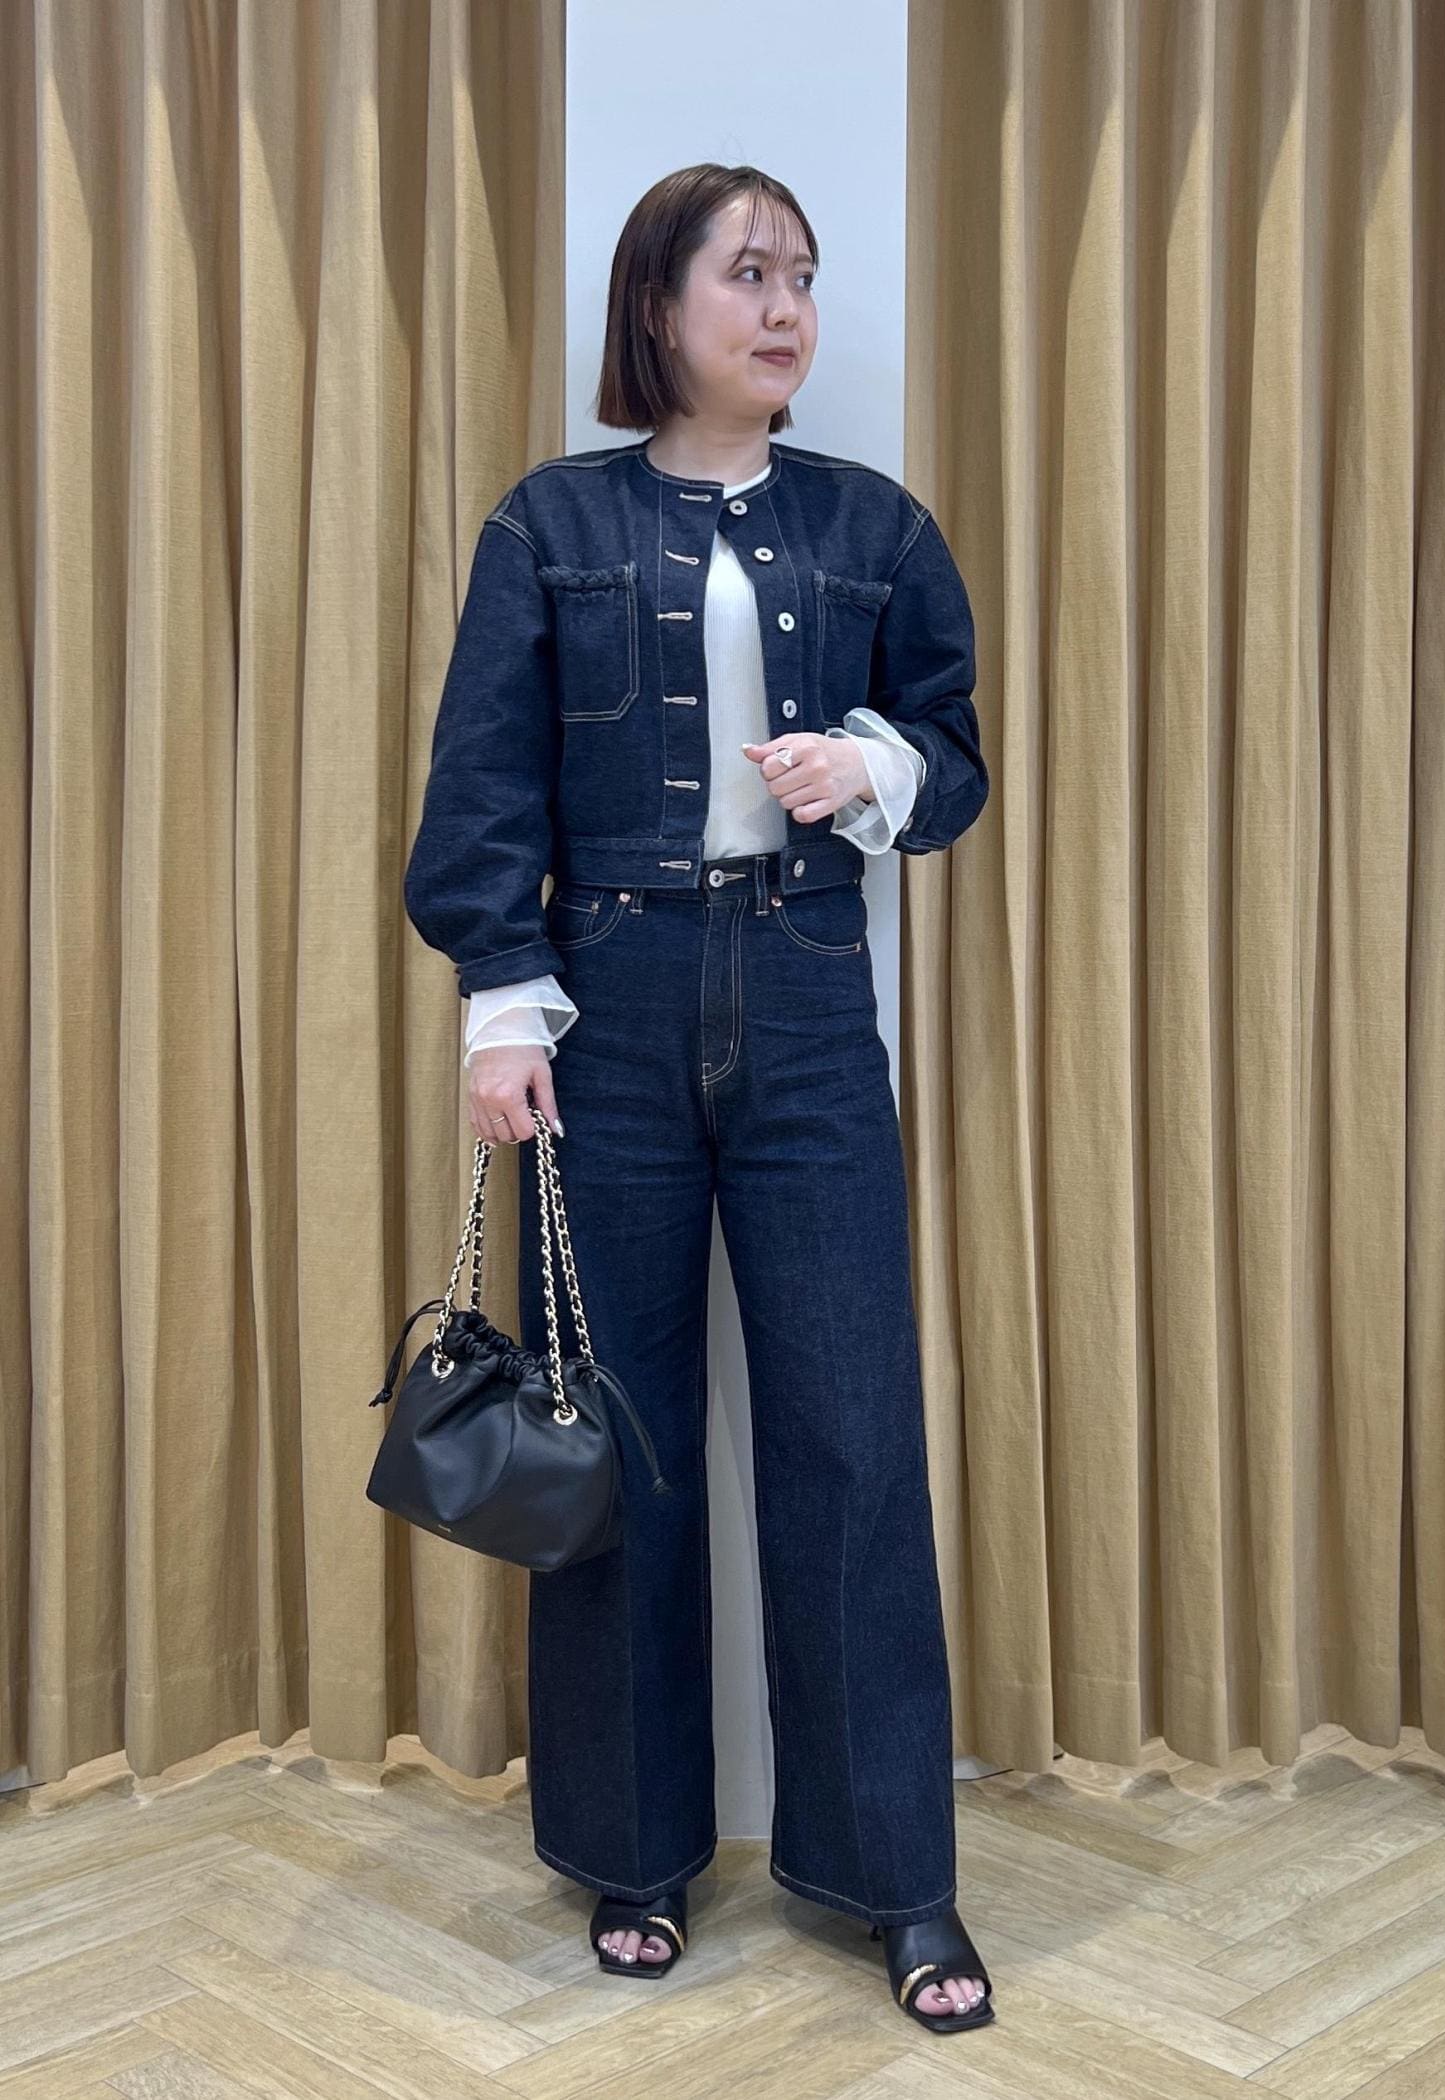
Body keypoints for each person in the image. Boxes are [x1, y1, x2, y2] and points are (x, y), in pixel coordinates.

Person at [403, 162, 994, 2033]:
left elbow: (957, 754)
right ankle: (631, 1849)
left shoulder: (874, 525)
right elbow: (482, 789)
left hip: (807, 999)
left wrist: (870, 766)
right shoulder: (550, 524)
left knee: (852, 1438)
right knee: (621, 1436)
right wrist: (503, 1013)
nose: (787, 306)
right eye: (747, 273)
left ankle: (896, 1876)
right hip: (611, 1007)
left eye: (801, 274)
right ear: (658, 305)